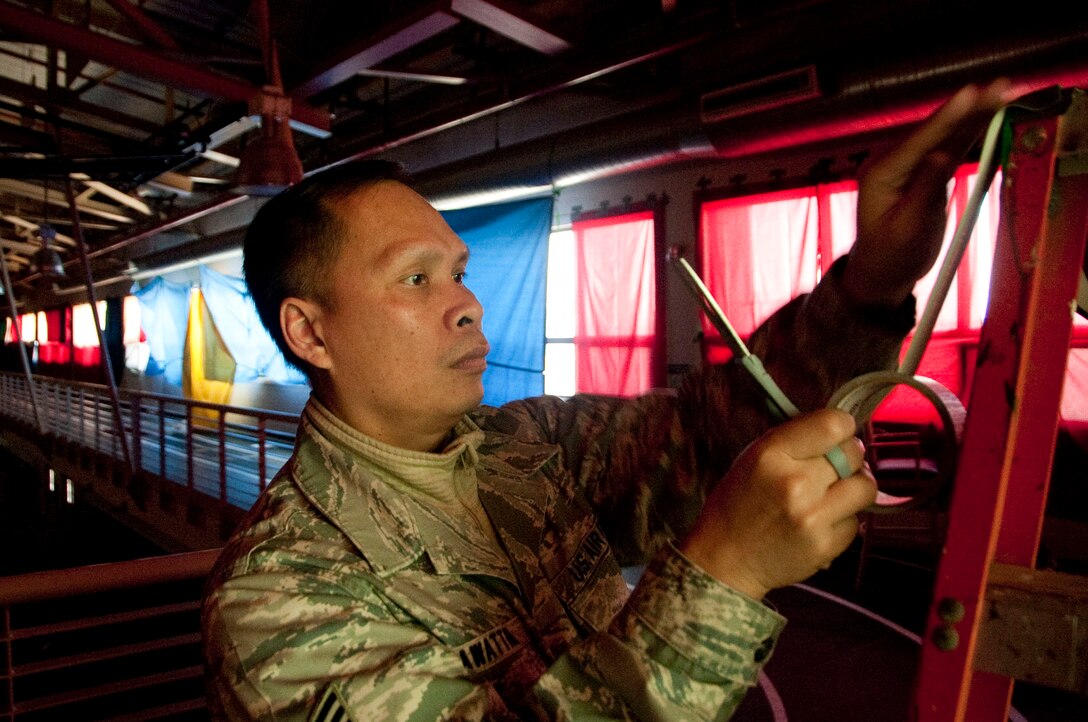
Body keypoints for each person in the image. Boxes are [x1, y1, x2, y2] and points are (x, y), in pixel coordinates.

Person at [201, 79, 1014, 721]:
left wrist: (875, 279)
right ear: (310, 334)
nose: (467, 305)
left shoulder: (530, 442)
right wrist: (721, 576)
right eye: (416, 279)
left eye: (459, 272)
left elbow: (708, 434)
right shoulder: (281, 600)